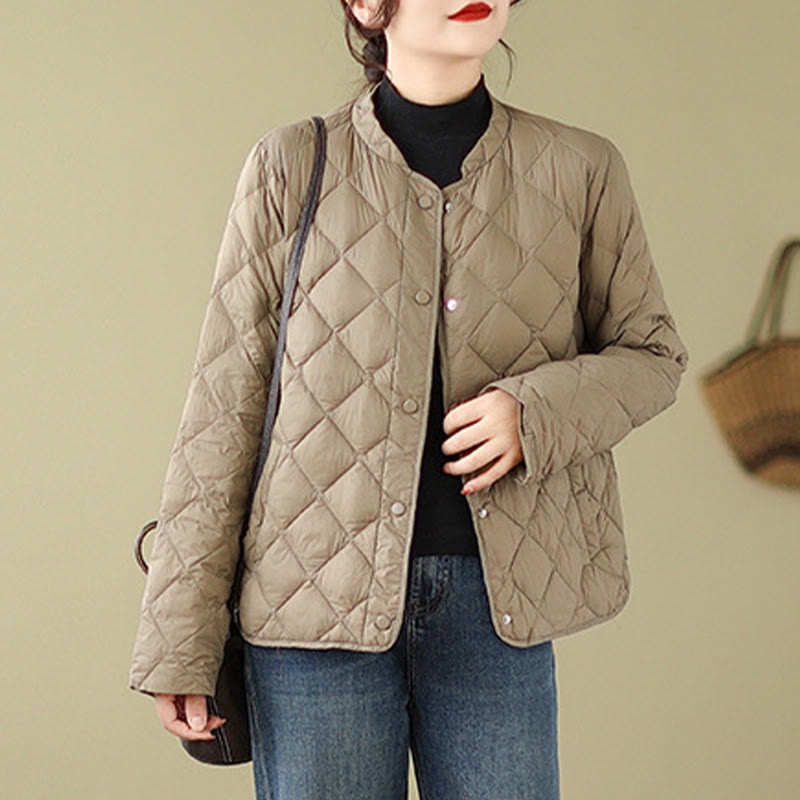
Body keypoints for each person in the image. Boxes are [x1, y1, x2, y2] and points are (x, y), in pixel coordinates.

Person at [128, 1, 690, 797]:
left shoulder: (579, 168)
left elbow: (653, 355)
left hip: (497, 606)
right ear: (366, 5)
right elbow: (223, 409)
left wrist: (535, 414)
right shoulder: (291, 165)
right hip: (308, 612)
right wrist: (178, 638)